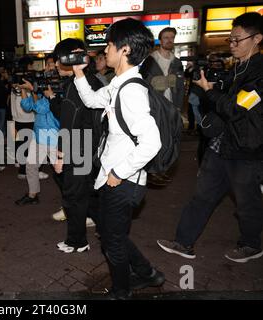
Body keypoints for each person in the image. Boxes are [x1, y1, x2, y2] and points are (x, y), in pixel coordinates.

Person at [157, 12, 263, 264]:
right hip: (220, 145)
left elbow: (238, 108)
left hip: (245, 149)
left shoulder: (259, 73)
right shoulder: (238, 68)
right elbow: (228, 102)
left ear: (257, 38)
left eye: (238, 39)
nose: (233, 45)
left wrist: (210, 94)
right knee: (202, 195)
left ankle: (251, 244)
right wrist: (212, 89)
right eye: (231, 40)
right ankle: (183, 242)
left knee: (247, 203)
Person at [73, 19, 165, 299]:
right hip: (112, 177)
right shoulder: (118, 84)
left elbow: (152, 142)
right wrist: (79, 73)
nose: (106, 51)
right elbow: (91, 100)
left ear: (124, 50)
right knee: (112, 233)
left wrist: (119, 172)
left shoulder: (132, 91)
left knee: (112, 240)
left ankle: (121, 291)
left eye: (109, 45)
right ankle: (149, 273)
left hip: (123, 181)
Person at [48, 38, 104, 255]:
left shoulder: (75, 86)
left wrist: (61, 156)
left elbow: (69, 125)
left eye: (59, 60)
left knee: (73, 198)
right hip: (92, 147)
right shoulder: (94, 81)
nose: (56, 65)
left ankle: (77, 241)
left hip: (77, 149)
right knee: (88, 195)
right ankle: (104, 230)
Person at [140, 27, 185, 187]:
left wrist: (178, 108)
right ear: (160, 39)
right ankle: (154, 171)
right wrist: (158, 83)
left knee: (171, 138)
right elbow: (142, 83)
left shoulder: (177, 62)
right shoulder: (150, 60)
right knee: (156, 139)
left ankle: (162, 168)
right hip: (155, 107)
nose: (169, 40)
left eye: (172, 37)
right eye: (166, 37)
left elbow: (180, 88)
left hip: (171, 108)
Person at [15, 55, 60, 206]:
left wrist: (33, 90)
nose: (47, 68)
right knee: (31, 166)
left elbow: (41, 108)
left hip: (53, 135)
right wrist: (23, 90)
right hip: (39, 134)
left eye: (51, 65)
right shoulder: (41, 86)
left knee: (60, 170)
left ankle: (72, 200)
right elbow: (27, 106)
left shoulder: (58, 87)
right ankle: (32, 194)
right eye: (46, 65)